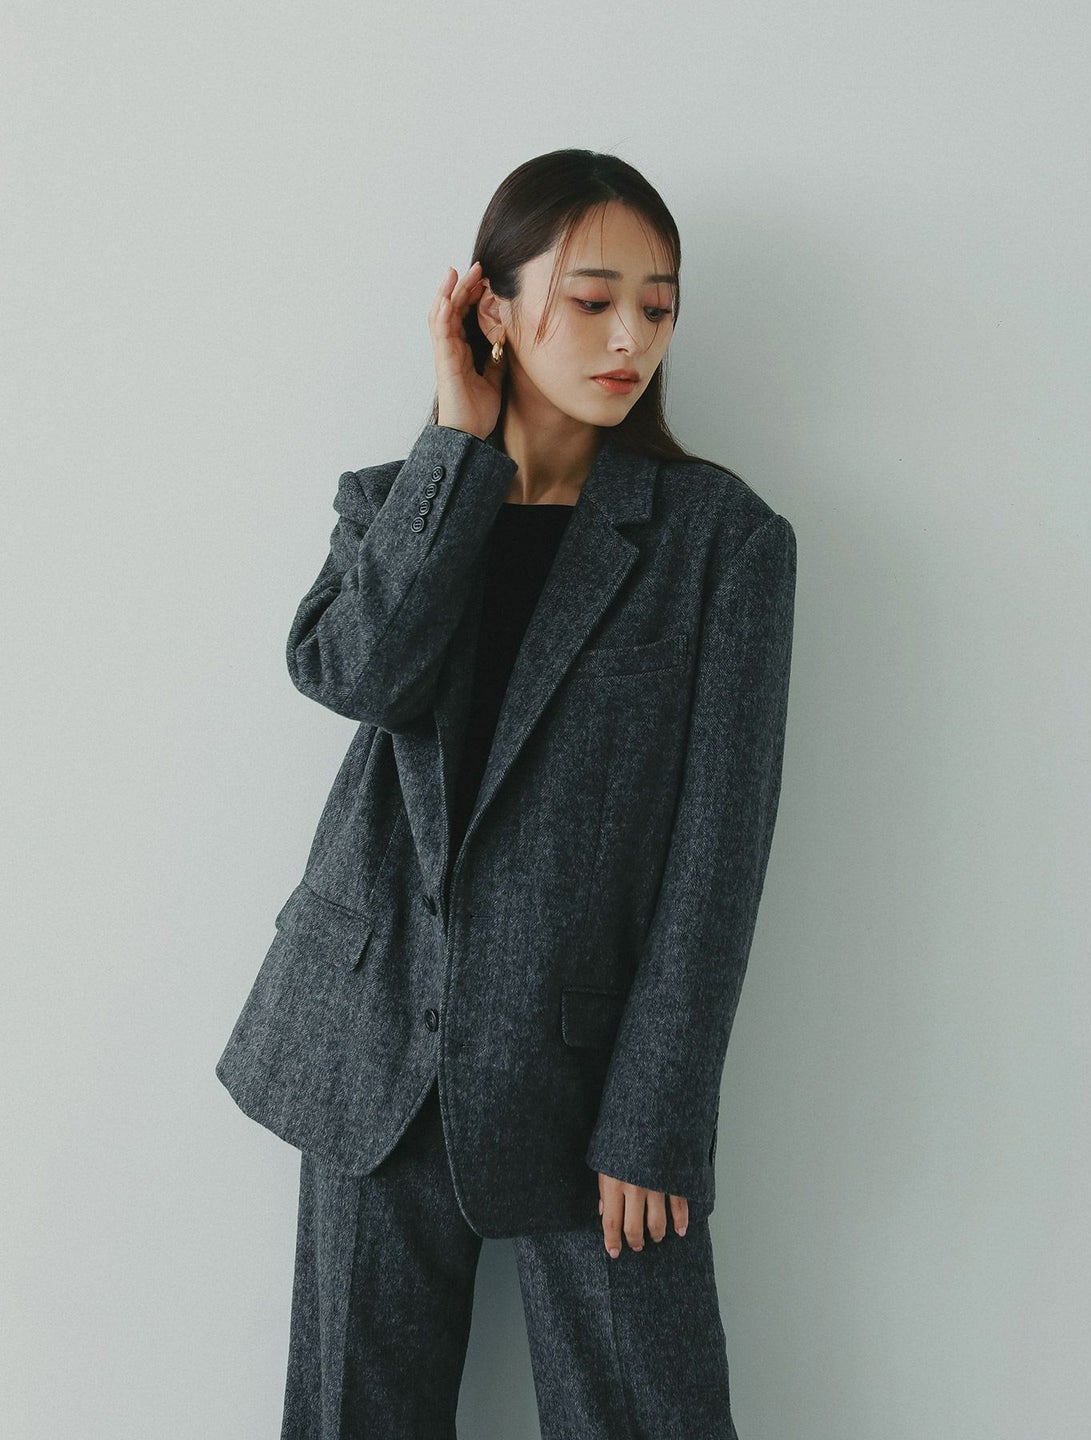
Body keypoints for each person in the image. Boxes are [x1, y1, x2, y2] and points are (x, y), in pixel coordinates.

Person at [215, 148, 798, 1439]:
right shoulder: (400, 505)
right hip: (375, 1055)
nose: (631, 337)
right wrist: (455, 447)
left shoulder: (723, 542)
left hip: (591, 1084)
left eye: (658, 305)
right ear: (494, 307)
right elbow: (355, 674)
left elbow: (718, 858)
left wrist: (657, 1114)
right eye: (591, 300)